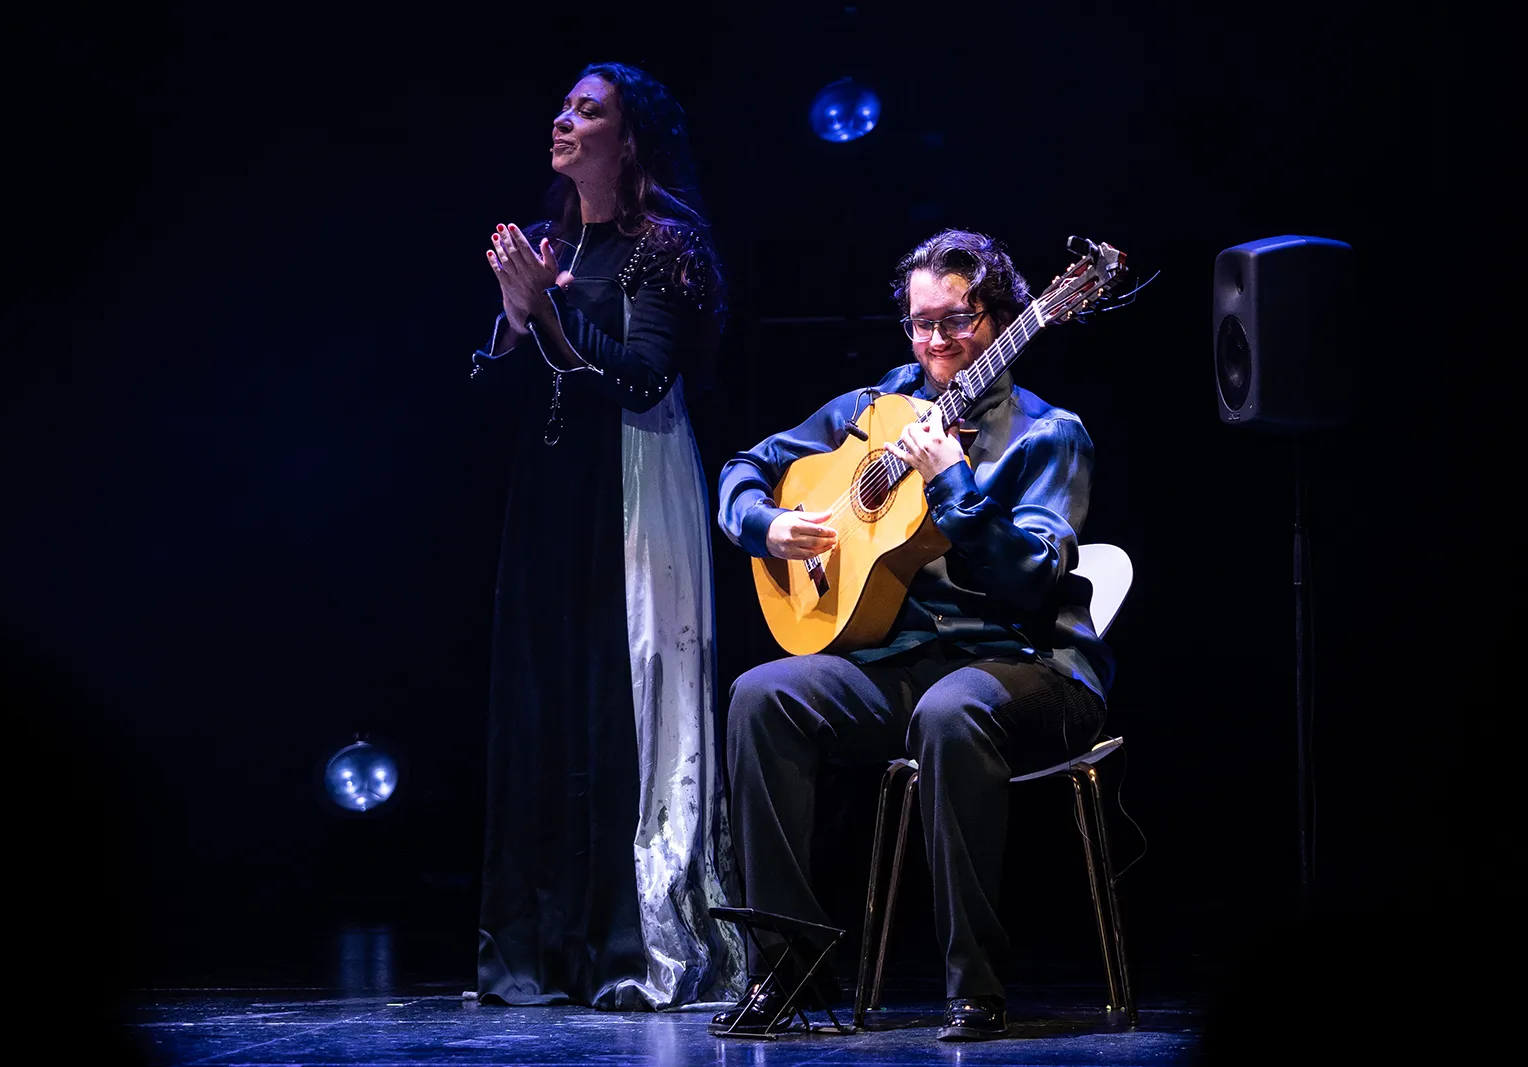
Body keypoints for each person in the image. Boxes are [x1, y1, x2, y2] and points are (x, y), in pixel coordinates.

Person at [710, 228, 1116, 1040]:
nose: (935, 342)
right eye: (920, 323)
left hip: (1026, 666)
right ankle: (787, 970)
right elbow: (745, 467)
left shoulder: (1049, 433)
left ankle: (976, 984)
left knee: (950, 711)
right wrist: (766, 524)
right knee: (762, 695)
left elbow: (1033, 579)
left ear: (1002, 318)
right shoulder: (878, 408)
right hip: (901, 664)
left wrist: (953, 483)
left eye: (956, 320)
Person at [468, 61, 745, 1010]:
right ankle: (541, 953)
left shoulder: (662, 245)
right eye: (564, 105)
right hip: (550, 499)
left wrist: (546, 314)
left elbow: (640, 377)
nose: (564, 118)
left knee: (623, 702)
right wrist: (515, 323)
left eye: (588, 110)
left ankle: (631, 946)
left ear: (627, 141)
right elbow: (499, 389)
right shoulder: (548, 244)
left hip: (633, 487)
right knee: (545, 705)